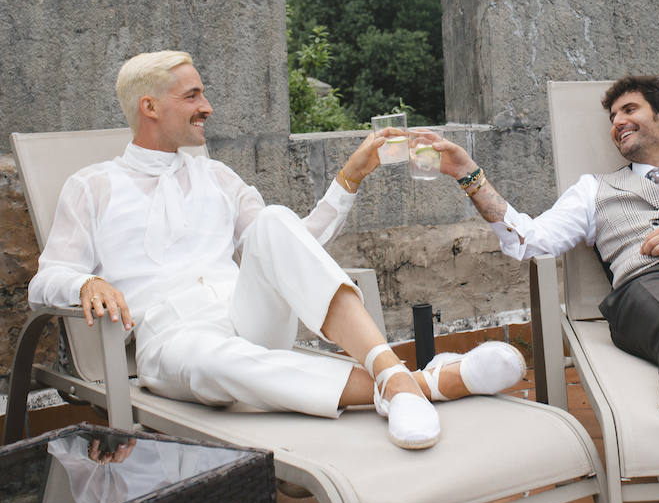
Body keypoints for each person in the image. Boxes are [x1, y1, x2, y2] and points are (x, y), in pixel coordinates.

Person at [29, 51, 526, 452]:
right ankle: (422, 384)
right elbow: (47, 279)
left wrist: (351, 176)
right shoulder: (92, 186)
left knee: (271, 218)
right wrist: (83, 282)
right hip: (174, 337)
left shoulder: (218, 177)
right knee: (212, 363)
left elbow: (294, 243)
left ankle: (390, 375)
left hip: (248, 313)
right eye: (193, 95)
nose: (207, 107)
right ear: (150, 106)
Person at [420, 75, 659, 498]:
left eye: (629, 109)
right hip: (651, 288)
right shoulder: (593, 190)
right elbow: (528, 240)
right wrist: (467, 174)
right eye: (612, 116)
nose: (617, 121)